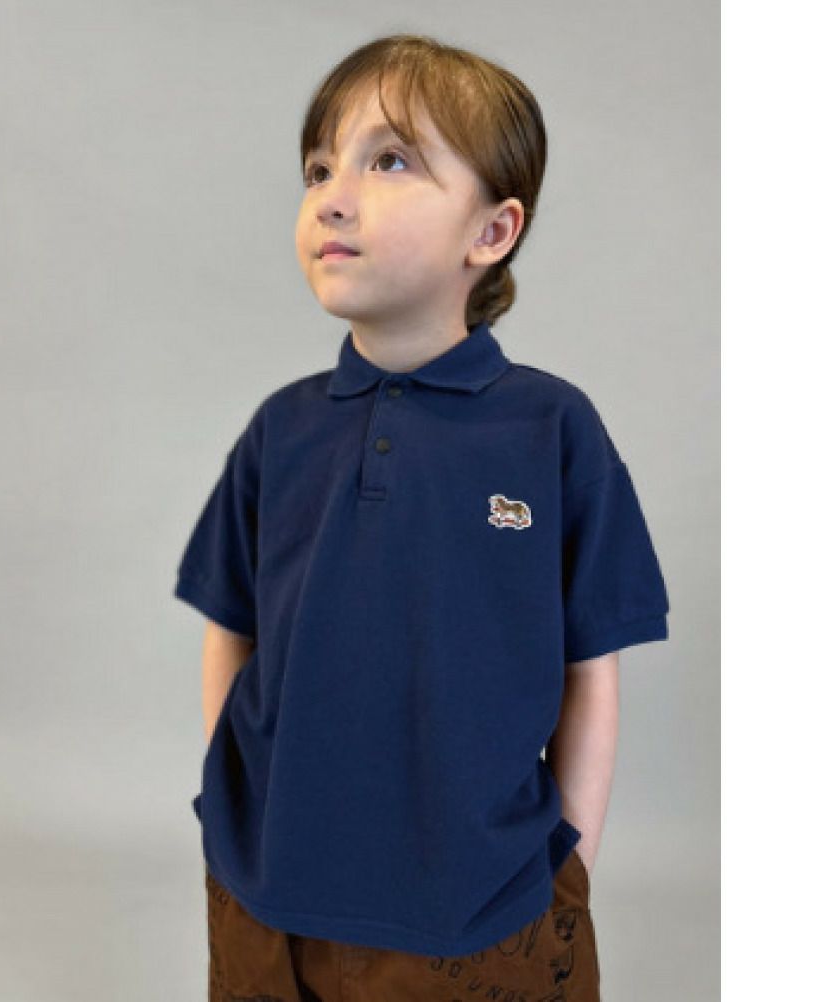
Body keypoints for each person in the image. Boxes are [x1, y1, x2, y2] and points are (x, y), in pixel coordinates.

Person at [173, 33, 669, 1002]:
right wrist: (238, 814)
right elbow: (230, 630)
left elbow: (591, 671)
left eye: (390, 160)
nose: (333, 196)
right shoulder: (280, 430)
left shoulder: (553, 430)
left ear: (492, 232)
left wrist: (566, 874)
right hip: (268, 910)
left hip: (482, 920)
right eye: (320, 168)